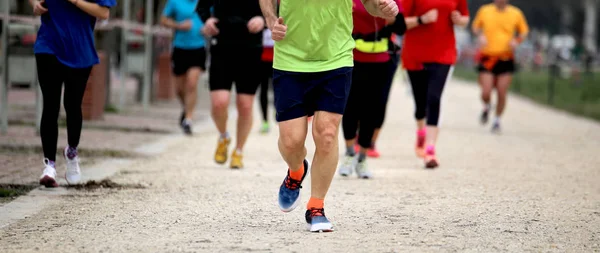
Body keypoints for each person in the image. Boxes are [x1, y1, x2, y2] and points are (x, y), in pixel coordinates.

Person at [259, 0, 398, 232]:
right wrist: (271, 20)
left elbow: (371, 5)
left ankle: (316, 207)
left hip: (336, 57)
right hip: (290, 59)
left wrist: (383, 8)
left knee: (327, 133)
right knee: (291, 141)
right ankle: (296, 171)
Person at [31, 0, 116, 187]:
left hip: (79, 48)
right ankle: (49, 166)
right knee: (51, 104)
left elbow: (103, 13)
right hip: (49, 44)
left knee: (72, 104)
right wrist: (34, 3)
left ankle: (71, 153)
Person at [339, 0, 406, 178]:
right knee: (351, 107)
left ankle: (362, 158)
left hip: (381, 61)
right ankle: (349, 153)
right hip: (352, 58)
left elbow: (401, 27)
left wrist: (390, 17)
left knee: (373, 110)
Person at [196, 0, 264, 169]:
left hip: (251, 47)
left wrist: (264, 20)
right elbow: (202, 6)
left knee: (245, 105)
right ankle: (223, 136)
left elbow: (278, 8)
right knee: (219, 103)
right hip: (222, 47)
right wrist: (207, 20)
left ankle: (239, 151)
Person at [402, 0, 469, 169]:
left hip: (444, 52)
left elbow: (465, 18)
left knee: (434, 97)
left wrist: (459, 20)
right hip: (415, 53)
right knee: (420, 104)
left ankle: (430, 149)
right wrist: (421, 20)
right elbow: (399, 23)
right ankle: (421, 132)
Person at [472, 0, 529, 133]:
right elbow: (475, 26)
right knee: (486, 91)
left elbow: (524, 31)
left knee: (501, 91)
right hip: (488, 57)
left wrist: (517, 40)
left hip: (505, 57)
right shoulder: (485, 10)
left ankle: (497, 120)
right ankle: (487, 106)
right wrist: (480, 36)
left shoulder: (516, 13)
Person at [160, 0, 206, 135]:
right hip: (180, 47)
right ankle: (186, 109)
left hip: (198, 47)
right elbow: (163, 20)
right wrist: (178, 25)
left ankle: (188, 120)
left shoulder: (205, 2)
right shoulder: (175, 2)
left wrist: (207, 27)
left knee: (192, 83)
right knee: (179, 89)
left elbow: (214, 17)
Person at [258, 28, 275, 134]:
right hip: (262, 61)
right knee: (263, 90)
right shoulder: (259, 20)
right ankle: (265, 121)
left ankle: (277, 109)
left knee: (277, 88)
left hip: (277, 60)